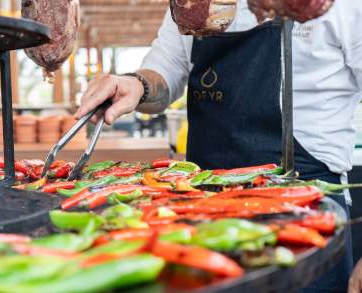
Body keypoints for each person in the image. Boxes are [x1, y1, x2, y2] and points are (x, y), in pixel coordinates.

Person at [75, 1, 362, 291]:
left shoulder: (343, 6)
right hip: (205, 212)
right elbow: (165, 67)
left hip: (308, 206)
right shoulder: (193, 4)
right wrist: (136, 84)